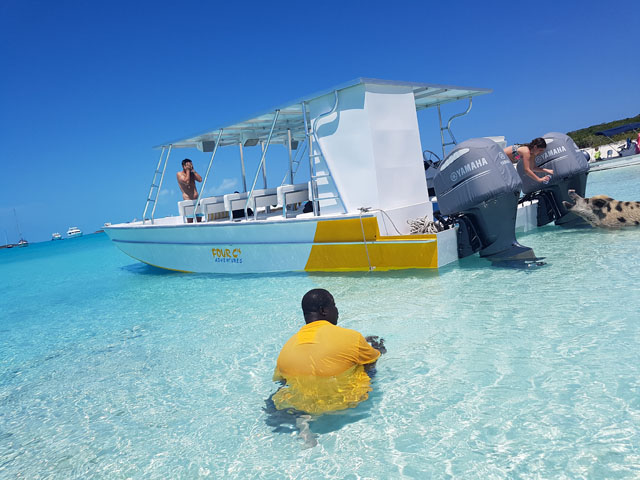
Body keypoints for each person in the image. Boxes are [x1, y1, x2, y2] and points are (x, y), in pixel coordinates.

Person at [271, 289, 385, 416]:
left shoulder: (288, 345)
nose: (337, 311)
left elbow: (281, 379)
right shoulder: (352, 337)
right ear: (323, 310)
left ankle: (302, 420)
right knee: (368, 367)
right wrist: (378, 347)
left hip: (293, 405)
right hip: (341, 403)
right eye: (334, 305)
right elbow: (373, 359)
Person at [177, 159, 202, 223]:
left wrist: (193, 170)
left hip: (196, 200)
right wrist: (188, 171)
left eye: (191, 165)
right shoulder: (179, 174)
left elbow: (200, 180)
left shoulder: (192, 174)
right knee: (190, 221)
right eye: (188, 165)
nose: (190, 166)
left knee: (199, 220)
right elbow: (187, 181)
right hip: (188, 200)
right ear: (183, 166)